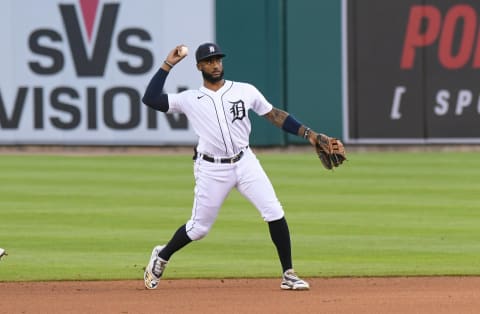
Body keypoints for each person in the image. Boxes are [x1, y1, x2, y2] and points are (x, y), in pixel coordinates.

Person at [142, 42, 325, 291]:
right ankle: (162, 255)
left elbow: (274, 114)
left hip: (245, 160)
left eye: (218, 59)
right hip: (212, 168)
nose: (215, 64)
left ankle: (288, 273)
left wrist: (309, 134)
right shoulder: (189, 99)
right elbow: (150, 98)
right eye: (209, 61)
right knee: (199, 228)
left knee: (274, 211)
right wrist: (168, 64)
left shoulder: (244, 90)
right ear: (199, 67)